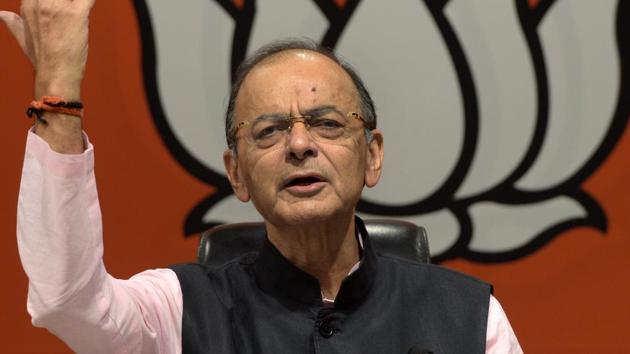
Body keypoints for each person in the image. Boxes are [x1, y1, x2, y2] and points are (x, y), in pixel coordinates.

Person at [2, 1, 522, 353]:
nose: (300, 145)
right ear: (237, 173)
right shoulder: (175, 312)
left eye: (327, 124)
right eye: (270, 130)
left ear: (372, 156)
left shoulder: (472, 320)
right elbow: (65, 301)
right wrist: (58, 91)